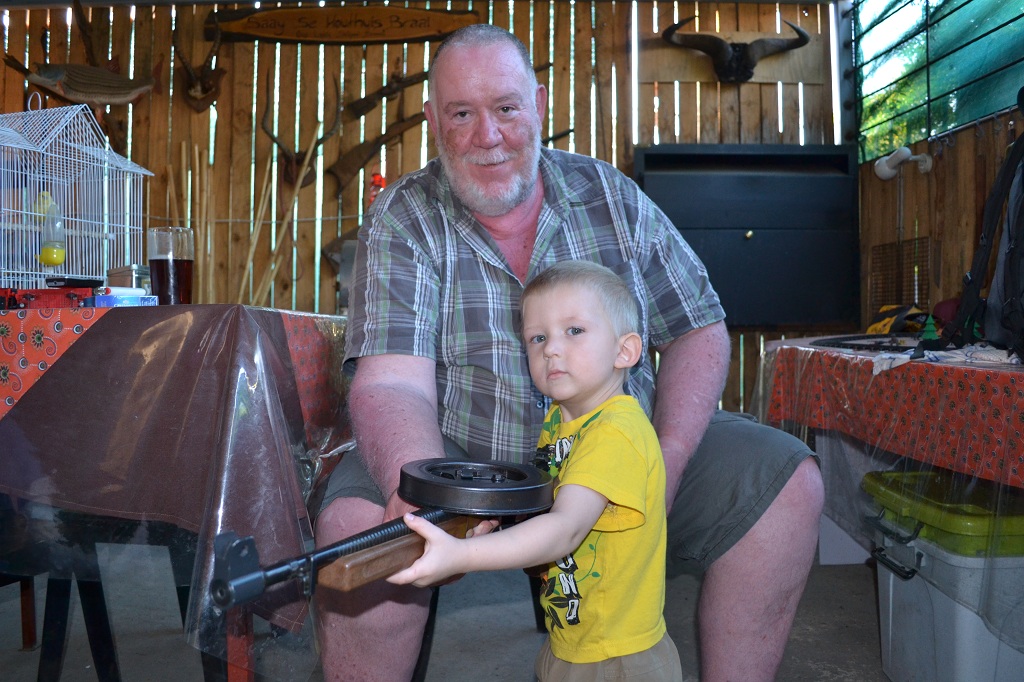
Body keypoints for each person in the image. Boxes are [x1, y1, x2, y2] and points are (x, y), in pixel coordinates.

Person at [314, 23, 824, 682]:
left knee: (785, 484)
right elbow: (393, 385)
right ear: (434, 121)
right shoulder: (404, 215)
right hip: (464, 455)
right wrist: (415, 485)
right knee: (357, 530)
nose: (487, 135)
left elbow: (698, 328)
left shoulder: (609, 194)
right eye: (461, 114)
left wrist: (664, 460)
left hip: (620, 436)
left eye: (505, 108)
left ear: (539, 105)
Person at [387, 260, 682, 681]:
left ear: (625, 352)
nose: (551, 349)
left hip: (616, 658)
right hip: (572, 636)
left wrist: (463, 556)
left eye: (574, 330)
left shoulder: (616, 431)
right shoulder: (561, 420)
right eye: (537, 337)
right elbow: (548, 506)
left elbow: (565, 529)